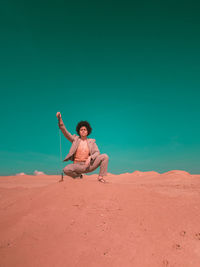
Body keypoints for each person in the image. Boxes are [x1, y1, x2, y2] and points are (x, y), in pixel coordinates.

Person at [56, 112, 109, 183]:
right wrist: (60, 120)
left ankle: (100, 177)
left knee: (105, 156)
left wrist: (90, 158)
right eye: (81, 130)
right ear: (79, 131)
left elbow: (97, 152)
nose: (83, 131)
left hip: (88, 165)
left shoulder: (92, 141)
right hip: (77, 166)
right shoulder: (75, 139)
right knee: (66, 169)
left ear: (88, 131)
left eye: (85, 129)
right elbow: (65, 132)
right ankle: (78, 177)